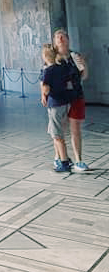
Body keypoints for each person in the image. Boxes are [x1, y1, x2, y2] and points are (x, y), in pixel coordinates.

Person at [53, 28, 89, 172]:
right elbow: (45, 77)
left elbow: (84, 76)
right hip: (60, 98)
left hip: (76, 96)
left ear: (68, 39)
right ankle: (59, 157)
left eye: (63, 36)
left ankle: (78, 160)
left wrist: (84, 65)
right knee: (59, 130)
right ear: (55, 42)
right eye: (58, 37)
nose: (61, 39)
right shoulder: (52, 57)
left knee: (75, 129)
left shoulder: (75, 55)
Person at [40, 43, 74, 173]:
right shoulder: (62, 68)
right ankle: (62, 157)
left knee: (58, 135)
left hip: (55, 104)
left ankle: (64, 162)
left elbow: (46, 88)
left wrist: (44, 93)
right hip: (65, 102)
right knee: (56, 132)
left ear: (45, 56)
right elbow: (68, 83)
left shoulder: (48, 71)